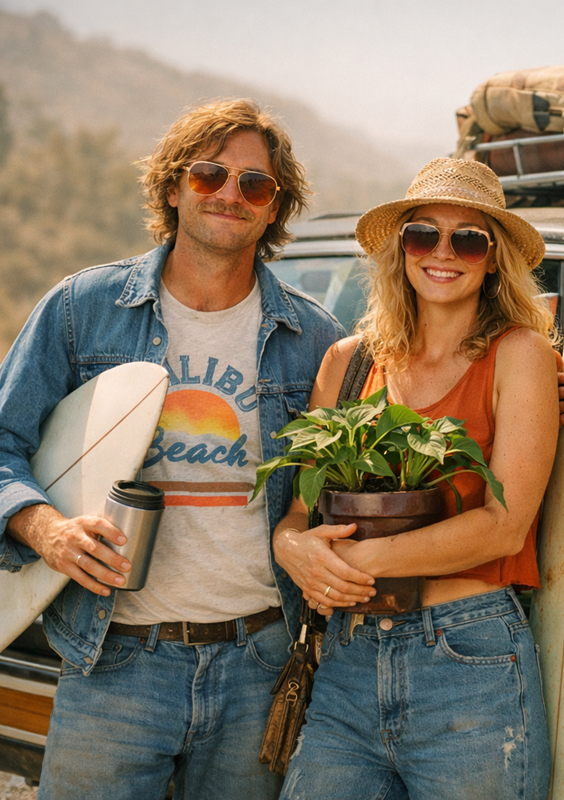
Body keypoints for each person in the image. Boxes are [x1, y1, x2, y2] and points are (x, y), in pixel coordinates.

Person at [0, 99, 343, 798]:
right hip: (115, 661)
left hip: (260, 659)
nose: (230, 195)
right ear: (172, 187)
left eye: (256, 184)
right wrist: (48, 531)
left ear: (275, 208)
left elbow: (349, 477)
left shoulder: (313, 340)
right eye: (209, 175)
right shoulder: (81, 309)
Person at [273, 158, 559, 800]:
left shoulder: (521, 356)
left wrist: (361, 560)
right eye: (424, 234)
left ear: (494, 258)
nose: (444, 253)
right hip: (348, 654)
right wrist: (290, 548)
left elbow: (504, 526)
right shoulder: (348, 363)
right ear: (400, 250)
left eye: (468, 239)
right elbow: (301, 508)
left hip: (469, 656)